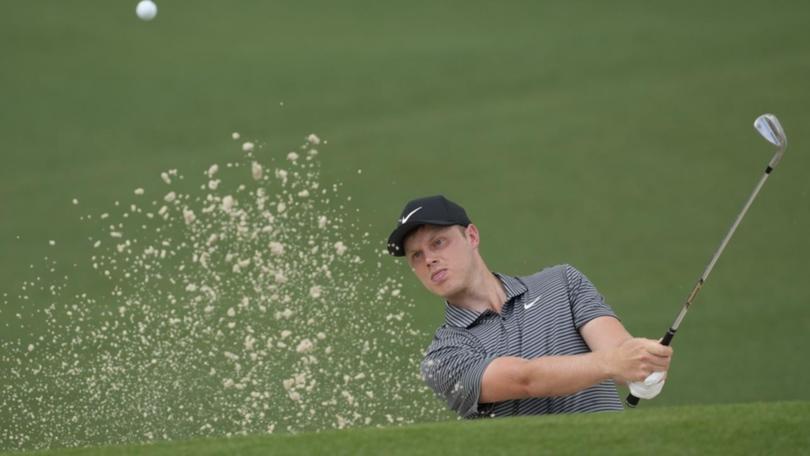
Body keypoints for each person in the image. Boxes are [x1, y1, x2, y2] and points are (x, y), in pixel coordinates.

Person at [387, 195, 672, 418]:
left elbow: (620, 352)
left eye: (438, 242)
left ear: (471, 237)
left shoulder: (563, 282)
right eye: (416, 255)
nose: (429, 260)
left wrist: (644, 368)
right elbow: (525, 380)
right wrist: (614, 363)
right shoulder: (442, 357)